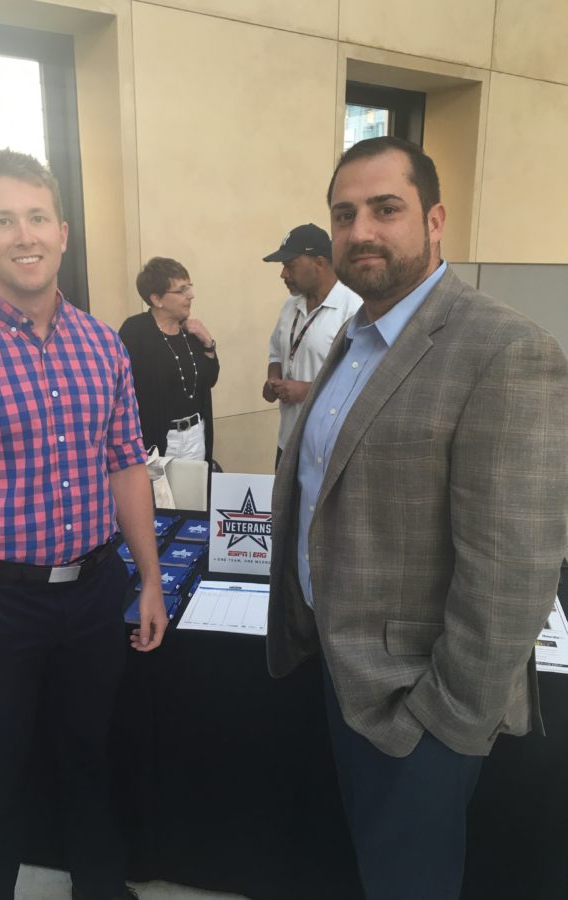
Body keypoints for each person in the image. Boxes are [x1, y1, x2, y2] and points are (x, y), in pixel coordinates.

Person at [267, 136, 568, 900]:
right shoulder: (356, 336)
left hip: (418, 703)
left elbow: (513, 570)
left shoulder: (504, 348)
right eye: (344, 213)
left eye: (385, 208)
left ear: (434, 221)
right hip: (342, 671)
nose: (360, 229)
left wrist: (440, 721)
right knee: (378, 871)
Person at [0, 148, 167, 900]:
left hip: (92, 591)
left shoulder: (100, 343)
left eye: (37, 217)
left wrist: (148, 579)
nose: (25, 234)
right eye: (3, 220)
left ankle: (100, 889)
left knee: (89, 759)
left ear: (63, 232)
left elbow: (125, 466)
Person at [262, 223, 360, 468]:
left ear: (319, 262)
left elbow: (362, 379)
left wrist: (307, 391)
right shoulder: (291, 305)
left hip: (326, 448)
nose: (283, 274)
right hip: (287, 442)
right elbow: (276, 351)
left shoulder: (354, 309)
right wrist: (273, 379)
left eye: (290, 265)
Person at [119, 257, 219, 467]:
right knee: (160, 499)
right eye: (182, 290)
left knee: (194, 499)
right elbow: (122, 389)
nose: (191, 295)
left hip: (196, 436)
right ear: (157, 299)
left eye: (189, 287)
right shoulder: (135, 331)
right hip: (158, 441)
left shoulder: (190, 332)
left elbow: (209, 378)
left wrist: (208, 343)